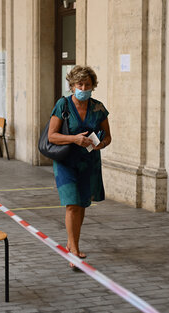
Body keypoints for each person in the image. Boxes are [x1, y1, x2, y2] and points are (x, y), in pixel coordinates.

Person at [48, 65, 111, 269]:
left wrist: (101, 143)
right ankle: (73, 251)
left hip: (89, 162)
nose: (84, 87)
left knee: (82, 203)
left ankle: (72, 242)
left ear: (93, 86)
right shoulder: (63, 105)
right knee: (72, 203)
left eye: (88, 84)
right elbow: (52, 136)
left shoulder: (98, 108)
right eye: (80, 84)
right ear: (72, 85)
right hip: (66, 161)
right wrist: (74, 139)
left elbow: (108, 136)